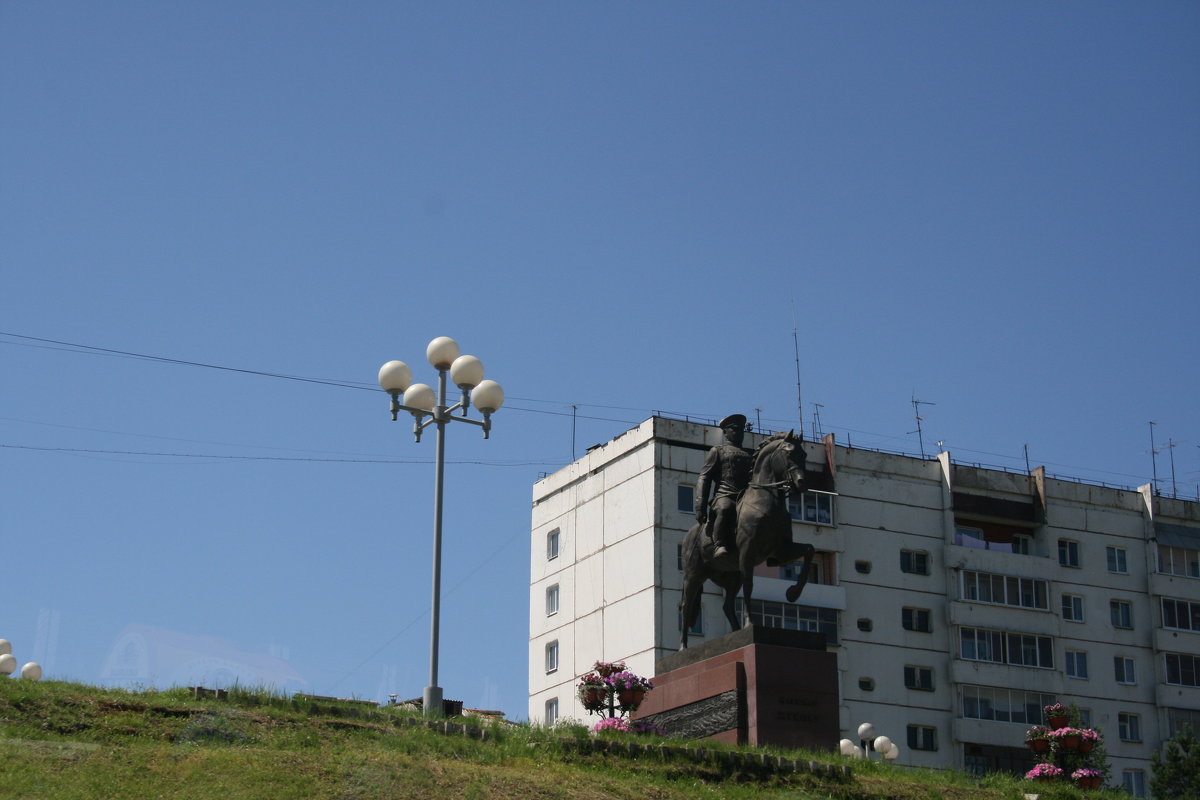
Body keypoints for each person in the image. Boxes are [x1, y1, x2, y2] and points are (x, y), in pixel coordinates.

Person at [695, 414, 754, 559]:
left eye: (741, 429)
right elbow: (704, 477)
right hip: (724, 495)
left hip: (745, 498)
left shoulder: (750, 454)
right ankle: (719, 544)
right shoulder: (718, 451)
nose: (738, 432)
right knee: (725, 508)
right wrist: (700, 506)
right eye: (734, 429)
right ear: (725, 431)